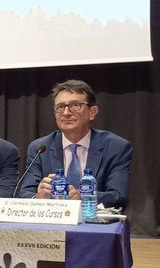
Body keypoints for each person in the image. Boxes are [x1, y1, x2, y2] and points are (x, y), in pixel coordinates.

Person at [20, 79, 131, 208]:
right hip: (52, 222)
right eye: (60, 107)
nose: (66, 113)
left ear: (92, 112)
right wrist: (39, 197)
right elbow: (24, 193)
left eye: (75, 105)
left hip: (94, 223)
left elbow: (119, 195)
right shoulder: (40, 148)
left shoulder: (115, 147)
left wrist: (82, 197)